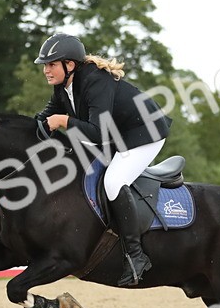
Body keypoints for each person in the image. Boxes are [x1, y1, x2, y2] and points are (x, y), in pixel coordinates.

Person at [33, 32, 172, 286]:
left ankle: (136, 256)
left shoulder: (96, 81)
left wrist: (63, 121)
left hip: (145, 133)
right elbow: (47, 115)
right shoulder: (63, 85)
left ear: (69, 65)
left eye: (51, 64)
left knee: (113, 182)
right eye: (45, 65)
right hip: (117, 135)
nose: (46, 70)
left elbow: (98, 132)